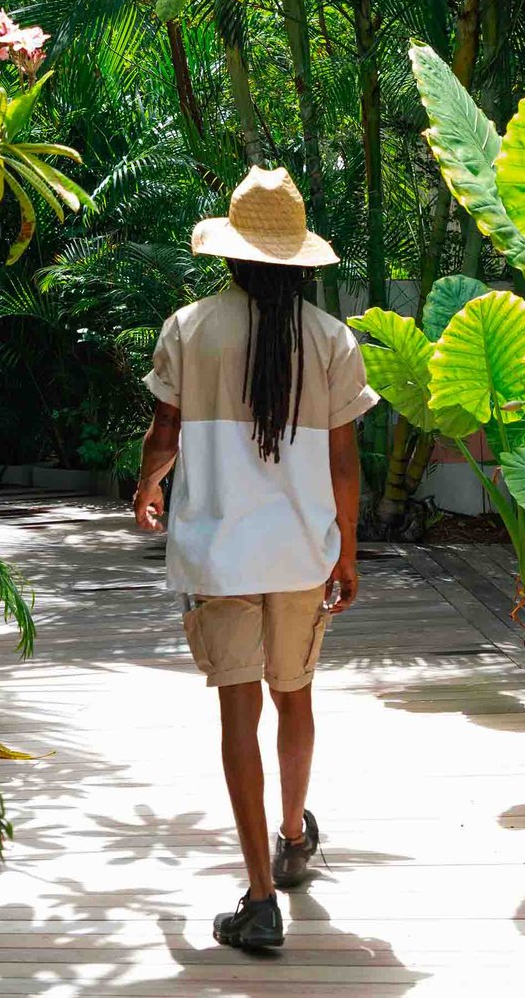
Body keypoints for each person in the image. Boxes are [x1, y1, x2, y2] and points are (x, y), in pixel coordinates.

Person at [133, 166, 379, 953]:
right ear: (301, 260)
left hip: (218, 551)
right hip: (303, 551)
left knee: (238, 710)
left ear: (231, 256)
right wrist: (348, 547)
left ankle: (261, 894)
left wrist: (146, 484)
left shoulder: (189, 326)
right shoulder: (333, 340)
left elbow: (164, 434)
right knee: (295, 694)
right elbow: (344, 463)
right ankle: (293, 834)